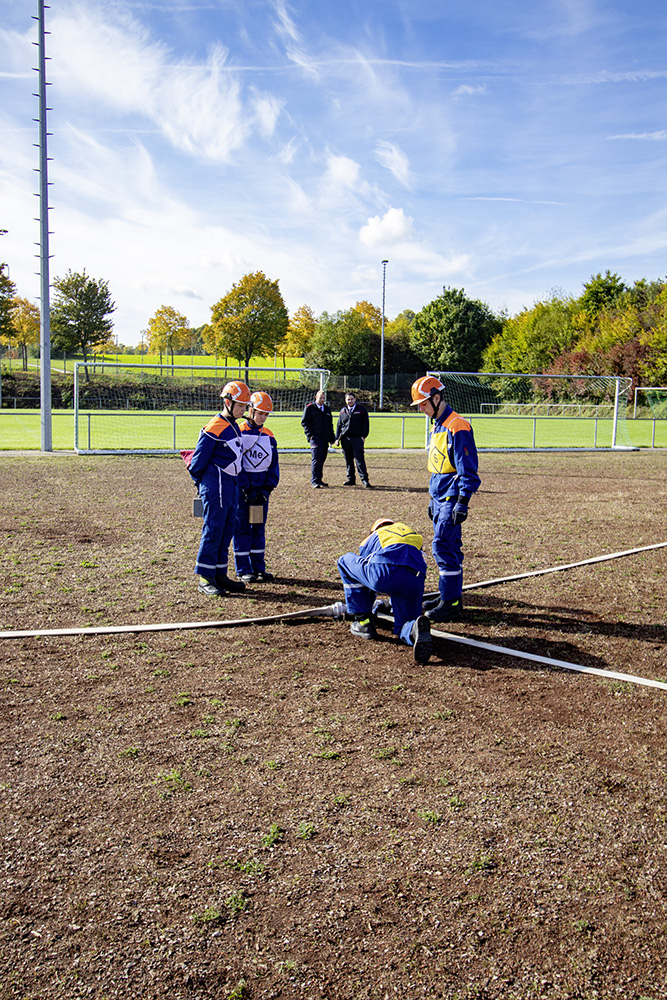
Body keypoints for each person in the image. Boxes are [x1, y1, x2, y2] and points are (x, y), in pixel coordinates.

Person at [410, 375, 481, 623]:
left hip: (451, 497)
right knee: (449, 547)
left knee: (442, 546)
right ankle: (448, 596)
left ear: (436, 398)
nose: (420, 408)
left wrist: (463, 501)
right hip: (440, 497)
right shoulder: (438, 424)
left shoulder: (457, 425)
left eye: (423, 403)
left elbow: (467, 469)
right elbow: (438, 466)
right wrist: (432, 499)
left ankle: (450, 603)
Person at [188, 380, 252, 597]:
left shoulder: (234, 425)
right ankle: (205, 577)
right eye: (241, 406)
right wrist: (204, 485)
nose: (244, 410)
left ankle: (219, 573)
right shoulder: (214, 426)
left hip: (231, 484)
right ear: (228, 402)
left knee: (227, 529)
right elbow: (197, 462)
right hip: (215, 484)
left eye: (245, 406)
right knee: (213, 528)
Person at [337, 518, 432, 664]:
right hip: (415, 578)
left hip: (384, 573)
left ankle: (363, 622)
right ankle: (413, 629)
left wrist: (368, 607)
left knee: (345, 561)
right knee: (404, 624)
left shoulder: (374, 536)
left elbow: (364, 578)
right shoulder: (411, 533)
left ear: (375, 528)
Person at [233, 391, 280, 583]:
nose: (263, 418)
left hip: (260, 492)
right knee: (243, 528)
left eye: (266, 415)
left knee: (258, 528)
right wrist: (246, 488)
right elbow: (235, 463)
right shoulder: (239, 431)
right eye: (260, 413)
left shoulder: (268, 435)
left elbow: (273, 464)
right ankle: (243, 569)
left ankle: (258, 567)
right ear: (250, 410)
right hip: (244, 492)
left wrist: (267, 488)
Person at [336, 392, 372, 488]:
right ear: (345, 400)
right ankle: (351, 479)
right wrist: (337, 438)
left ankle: (364, 480)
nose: (350, 401)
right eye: (348, 399)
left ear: (355, 399)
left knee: (359, 460)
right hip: (345, 439)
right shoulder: (343, 411)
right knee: (348, 460)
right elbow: (339, 425)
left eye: (351, 399)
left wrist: (363, 436)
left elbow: (366, 424)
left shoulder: (361, 410)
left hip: (357, 438)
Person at [301, 389, 335, 488]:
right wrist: (310, 435)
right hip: (315, 437)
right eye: (320, 397)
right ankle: (314, 480)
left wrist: (332, 438)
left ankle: (319, 479)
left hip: (325, 438)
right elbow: (304, 422)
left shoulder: (327, 409)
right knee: (316, 458)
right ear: (316, 397)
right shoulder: (310, 408)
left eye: (324, 398)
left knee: (322, 458)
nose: (322, 399)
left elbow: (330, 425)